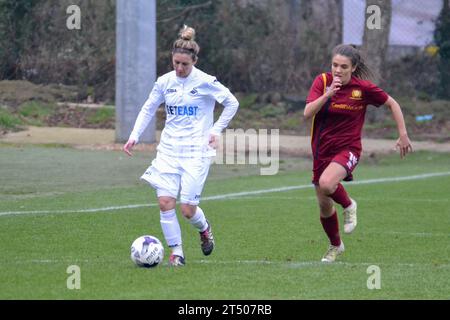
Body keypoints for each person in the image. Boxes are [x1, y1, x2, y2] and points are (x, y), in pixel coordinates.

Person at [123, 25, 239, 267]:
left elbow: (232, 103)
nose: (179, 68)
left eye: (184, 64)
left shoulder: (206, 82)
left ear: (194, 61)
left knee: (187, 209)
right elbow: (148, 107)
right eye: (176, 62)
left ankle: (204, 228)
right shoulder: (165, 82)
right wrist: (134, 135)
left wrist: (216, 130)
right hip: (168, 151)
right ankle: (177, 253)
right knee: (165, 202)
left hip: (196, 153)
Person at [304, 44, 413, 263]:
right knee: (324, 205)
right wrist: (327, 95)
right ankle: (336, 246)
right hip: (321, 151)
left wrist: (403, 134)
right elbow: (307, 113)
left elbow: (392, 103)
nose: (338, 70)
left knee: (327, 184)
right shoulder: (322, 82)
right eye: (335, 65)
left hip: (348, 149)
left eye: (343, 66)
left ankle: (349, 204)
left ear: (353, 68)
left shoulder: (362, 89)